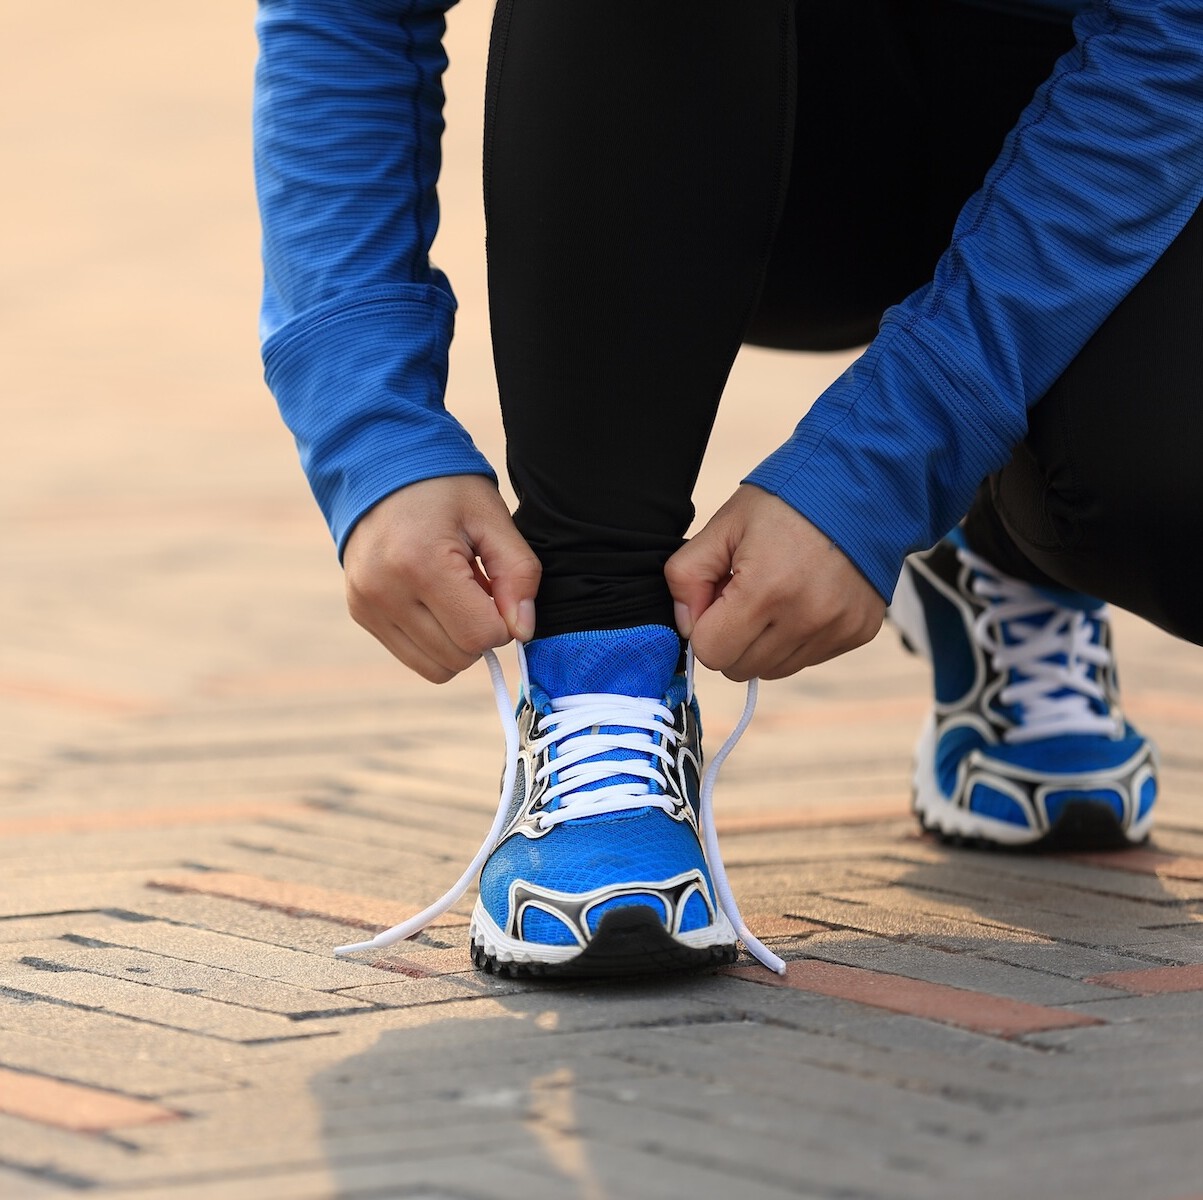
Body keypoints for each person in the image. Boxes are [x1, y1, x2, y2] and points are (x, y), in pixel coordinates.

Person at [254, 0, 1203, 976]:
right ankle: (601, 660)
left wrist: (891, 459)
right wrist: (372, 433)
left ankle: (1001, 545)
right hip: (726, 118)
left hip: (1119, 125)